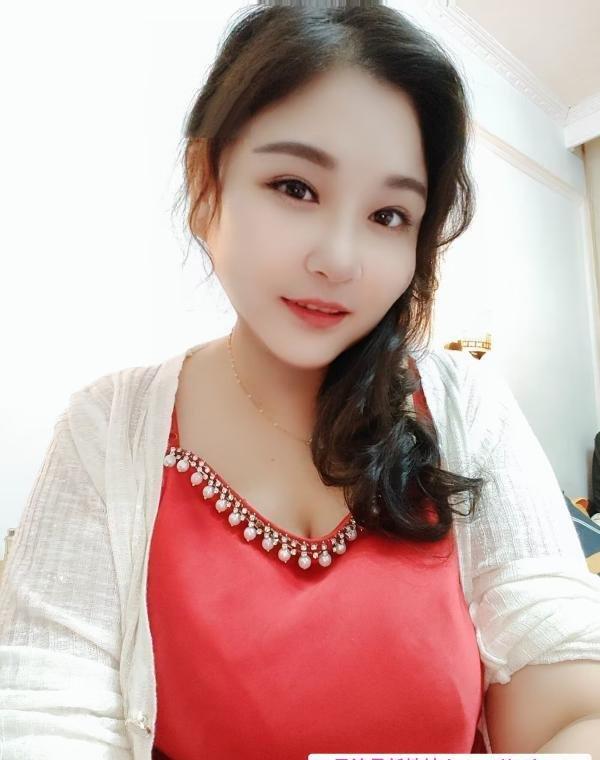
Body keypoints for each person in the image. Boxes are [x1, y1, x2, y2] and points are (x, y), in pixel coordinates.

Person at [2, 2, 600, 759]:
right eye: (295, 187)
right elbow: (48, 720)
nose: (340, 260)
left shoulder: (462, 402)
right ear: (206, 181)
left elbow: (568, 696)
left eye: (389, 215)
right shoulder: (106, 430)